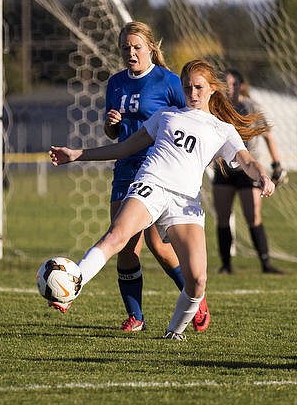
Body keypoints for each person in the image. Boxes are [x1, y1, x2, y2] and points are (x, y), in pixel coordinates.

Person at [49, 59, 275, 340]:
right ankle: (72, 289)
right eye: (187, 87)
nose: (192, 93)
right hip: (151, 186)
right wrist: (76, 155)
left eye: (199, 87)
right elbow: (124, 148)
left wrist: (262, 177)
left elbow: (247, 160)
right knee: (116, 237)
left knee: (198, 280)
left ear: (213, 90)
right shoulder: (166, 115)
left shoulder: (223, 130)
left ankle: (174, 333)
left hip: (186, 204)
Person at [103, 21, 208, 332]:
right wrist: (112, 124)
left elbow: (192, 117)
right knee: (124, 245)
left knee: (158, 244)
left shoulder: (169, 81)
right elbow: (113, 134)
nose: (131, 53)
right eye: (125, 48)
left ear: (150, 47)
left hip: (160, 167)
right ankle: (136, 317)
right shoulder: (116, 83)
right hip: (126, 167)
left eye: (136, 47)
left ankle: (194, 297)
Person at [212, 69, 285, 274]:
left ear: (242, 85)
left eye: (234, 84)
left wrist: (277, 164)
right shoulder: (217, 108)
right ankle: (226, 265)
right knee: (223, 216)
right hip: (225, 169)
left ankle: (265, 263)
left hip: (248, 169)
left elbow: (268, 137)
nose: (230, 89)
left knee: (252, 215)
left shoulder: (251, 107)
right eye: (226, 85)